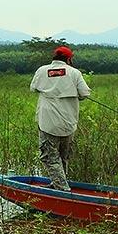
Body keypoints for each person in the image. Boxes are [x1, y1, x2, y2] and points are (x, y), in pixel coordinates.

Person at [30, 46, 91, 190]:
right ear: (69, 59)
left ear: (54, 57)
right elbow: (84, 94)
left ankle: (62, 189)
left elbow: (33, 88)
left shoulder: (41, 70)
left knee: (50, 157)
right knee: (63, 157)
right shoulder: (75, 73)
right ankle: (60, 183)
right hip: (68, 123)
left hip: (47, 123)